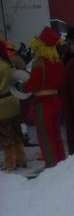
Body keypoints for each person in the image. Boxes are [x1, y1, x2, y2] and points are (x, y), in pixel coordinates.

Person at [21, 26, 66, 168]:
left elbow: (33, 84)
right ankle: (61, 161)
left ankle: (51, 163)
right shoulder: (58, 62)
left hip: (42, 103)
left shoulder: (38, 63)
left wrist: (21, 87)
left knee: (45, 136)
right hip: (55, 101)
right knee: (56, 134)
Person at [0, 38, 28, 170]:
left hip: (2, 105)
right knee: (16, 133)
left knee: (5, 135)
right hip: (14, 101)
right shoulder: (9, 64)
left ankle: (10, 163)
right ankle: (21, 158)